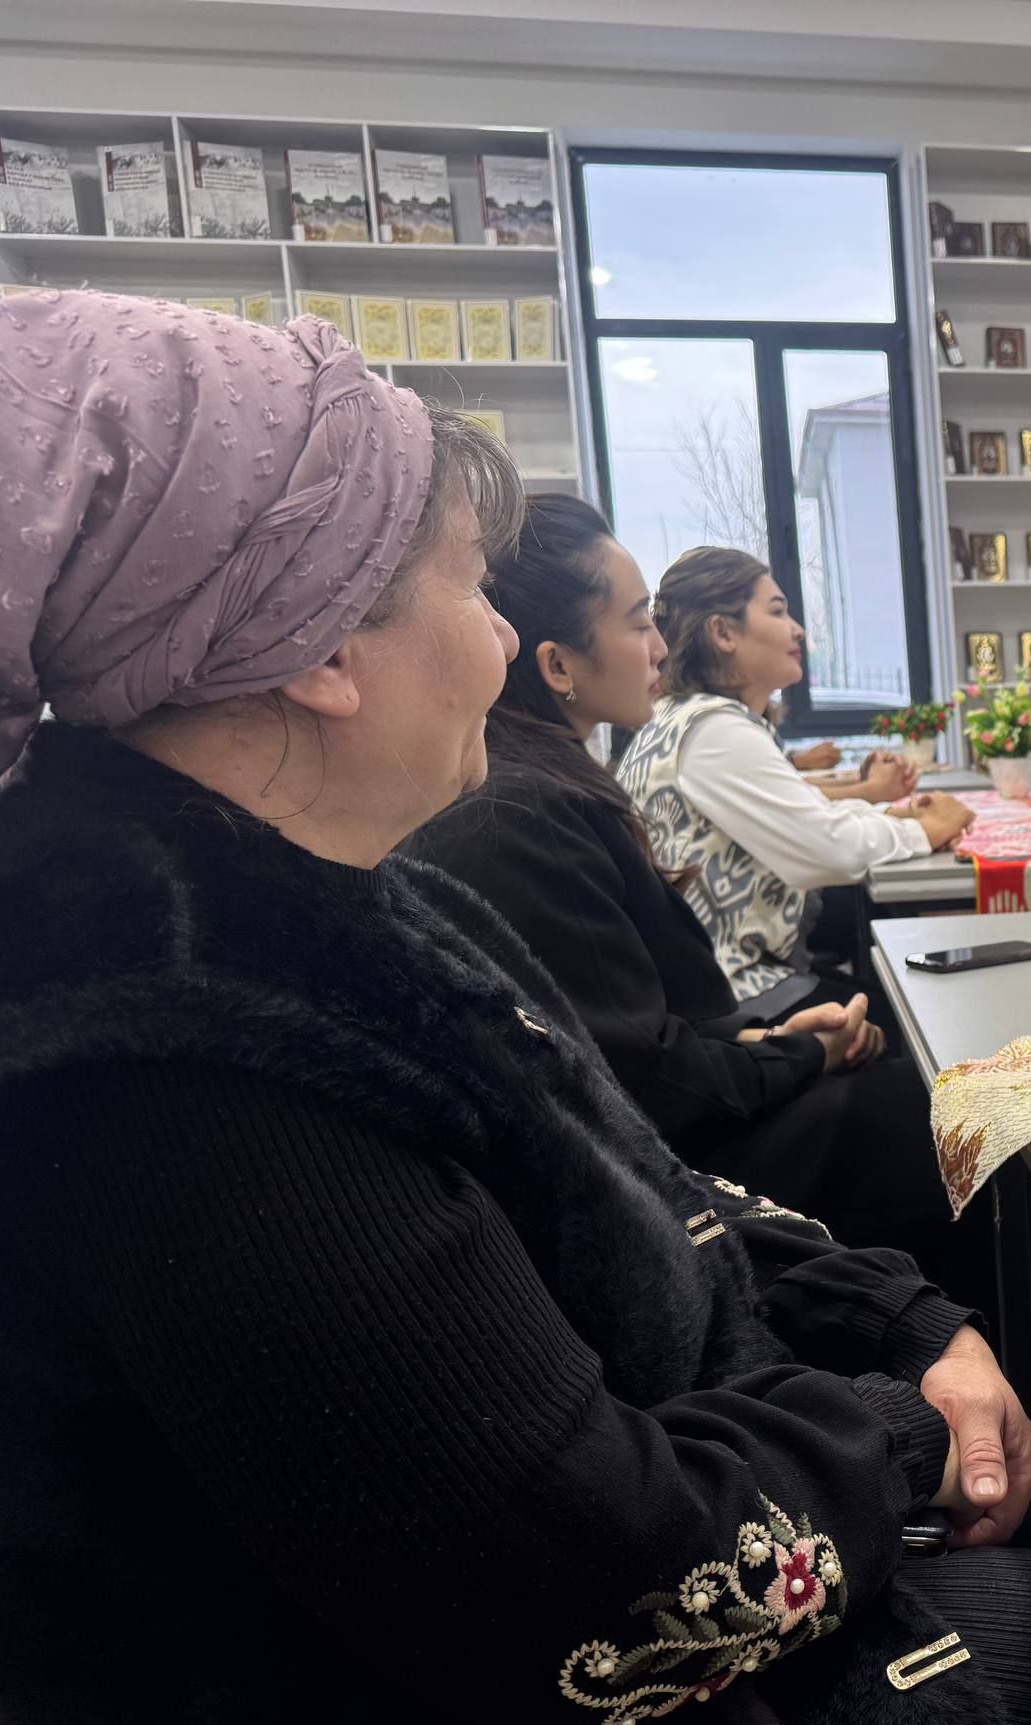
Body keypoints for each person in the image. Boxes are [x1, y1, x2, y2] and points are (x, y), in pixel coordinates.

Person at [0, 291, 1031, 1725]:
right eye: (466, 590)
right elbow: (584, 1591)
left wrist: (905, 1323)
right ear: (322, 648)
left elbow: (631, 1176)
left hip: (549, 1606)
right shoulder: (171, 1059)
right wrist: (900, 1432)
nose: (504, 646)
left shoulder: (325, 910)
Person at [409, 494, 993, 1314]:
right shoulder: (528, 816)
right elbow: (646, 1082)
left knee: (923, 1082)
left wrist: (766, 1042)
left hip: (676, 1094)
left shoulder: (545, 785)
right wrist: (797, 1053)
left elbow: (625, 1034)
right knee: (953, 1110)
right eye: (636, 622)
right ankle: (1001, 1359)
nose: (658, 645)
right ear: (557, 665)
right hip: (658, 1177)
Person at [619, 546, 973, 1007]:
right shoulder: (714, 731)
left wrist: (892, 815)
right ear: (723, 632)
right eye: (777, 611)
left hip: (711, 978)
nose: (798, 629)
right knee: (923, 1009)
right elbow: (829, 849)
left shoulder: (691, 718)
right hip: (729, 991)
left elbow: (806, 815)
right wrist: (924, 831)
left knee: (904, 989)